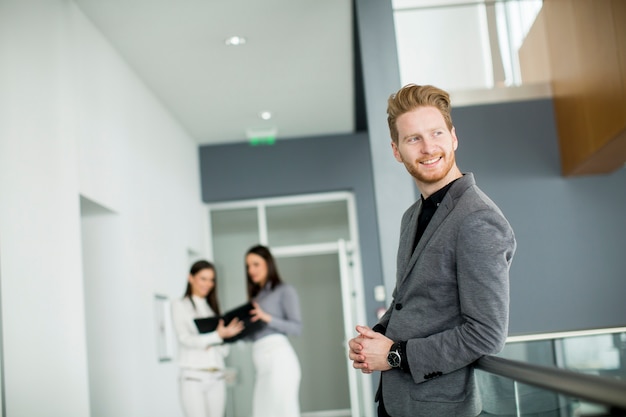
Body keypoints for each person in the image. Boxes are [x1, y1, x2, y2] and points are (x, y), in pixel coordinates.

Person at [348, 84, 516, 417]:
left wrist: (394, 355)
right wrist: (375, 338)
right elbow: (408, 300)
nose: (428, 148)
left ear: (453, 138)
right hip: (398, 401)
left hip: (440, 407)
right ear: (397, 151)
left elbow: (487, 334)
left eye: (436, 133)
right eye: (413, 139)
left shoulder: (478, 218)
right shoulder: (413, 215)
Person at [171, 260, 245, 417]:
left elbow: (223, 352)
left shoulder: (215, 309)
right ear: (191, 278)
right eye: (203, 278)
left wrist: (226, 337)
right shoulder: (179, 305)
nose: (208, 284)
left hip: (217, 377)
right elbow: (185, 339)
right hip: (193, 379)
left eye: (211, 280)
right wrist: (216, 336)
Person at [244, 244, 302, 417]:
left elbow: (297, 328)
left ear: (268, 264)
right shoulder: (256, 297)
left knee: (284, 412)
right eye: (248, 266)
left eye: (256, 264)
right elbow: (256, 335)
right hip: (262, 366)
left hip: (280, 363)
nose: (251, 270)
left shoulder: (285, 291)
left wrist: (266, 317)